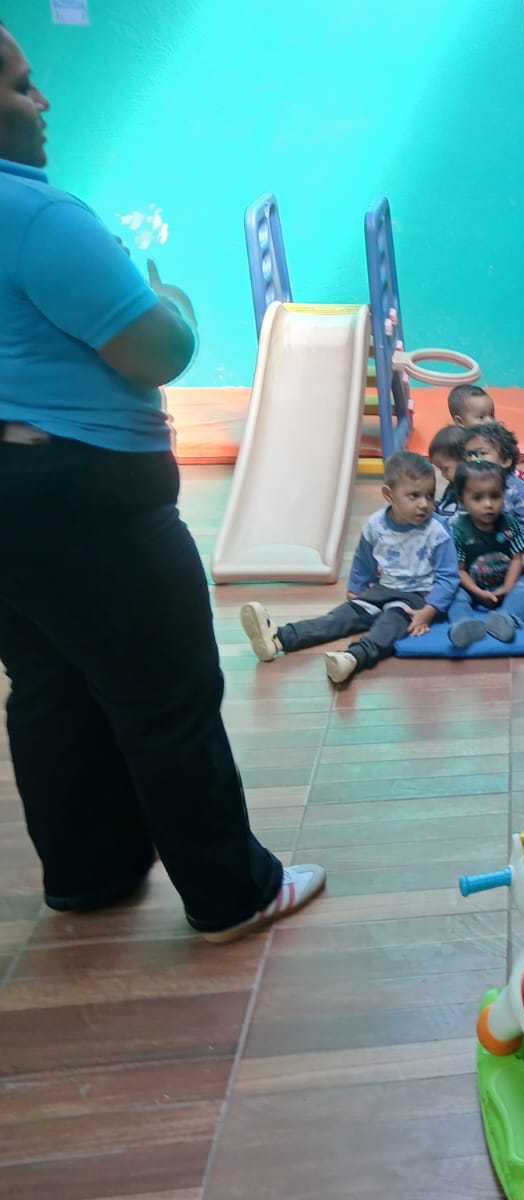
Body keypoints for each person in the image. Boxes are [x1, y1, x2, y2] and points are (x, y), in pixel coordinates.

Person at [0, 23, 321, 942]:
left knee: (49, 681)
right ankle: (233, 892)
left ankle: (89, 873)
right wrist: (171, 301)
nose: (43, 102)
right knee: (165, 692)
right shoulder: (38, 216)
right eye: (22, 85)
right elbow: (159, 350)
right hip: (85, 498)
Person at [241, 451, 455, 683]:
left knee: (387, 627)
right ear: (389, 495)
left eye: (430, 495)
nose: (424, 504)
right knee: (339, 617)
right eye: (414, 496)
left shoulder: (437, 531)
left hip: (415, 598)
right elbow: (364, 558)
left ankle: (353, 658)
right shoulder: (376, 525)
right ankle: (279, 638)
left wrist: (429, 611)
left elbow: (448, 577)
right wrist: (356, 587)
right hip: (381, 590)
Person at [447, 459, 524, 648]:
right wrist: (478, 592)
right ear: (462, 500)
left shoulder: (509, 523)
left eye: (495, 496)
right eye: (478, 498)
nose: (488, 504)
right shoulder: (459, 529)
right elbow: (459, 570)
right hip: (472, 587)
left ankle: (506, 618)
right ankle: (463, 623)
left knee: (522, 590)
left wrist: (507, 588)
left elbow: (517, 559)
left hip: (503, 583)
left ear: (504, 494)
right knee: (454, 595)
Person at [448, 383, 524, 506]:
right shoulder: (460, 444)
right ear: (459, 421)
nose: (490, 421)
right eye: (481, 417)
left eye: (492, 415)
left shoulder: (495, 442)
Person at [463, 421, 524, 552]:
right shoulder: (468, 487)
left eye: (482, 453)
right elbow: (460, 518)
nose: (475, 460)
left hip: (514, 550)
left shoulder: (518, 491)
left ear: (505, 460)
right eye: (470, 454)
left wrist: (500, 544)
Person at [428, 424, 468, 526]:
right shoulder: (454, 485)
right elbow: (446, 504)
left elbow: (459, 521)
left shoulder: (470, 490)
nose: (443, 474)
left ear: (464, 459)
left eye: (446, 469)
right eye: (440, 469)